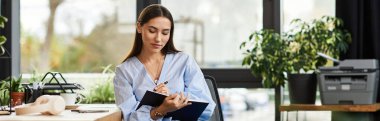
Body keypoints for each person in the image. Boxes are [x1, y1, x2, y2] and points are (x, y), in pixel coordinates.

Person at [113, 4, 216, 121]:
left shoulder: (184, 61)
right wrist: (161, 109)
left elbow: (207, 108)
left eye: (165, 33)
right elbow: (129, 118)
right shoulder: (124, 71)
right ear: (139, 27)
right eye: (152, 31)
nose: (158, 38)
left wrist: (172, 96)